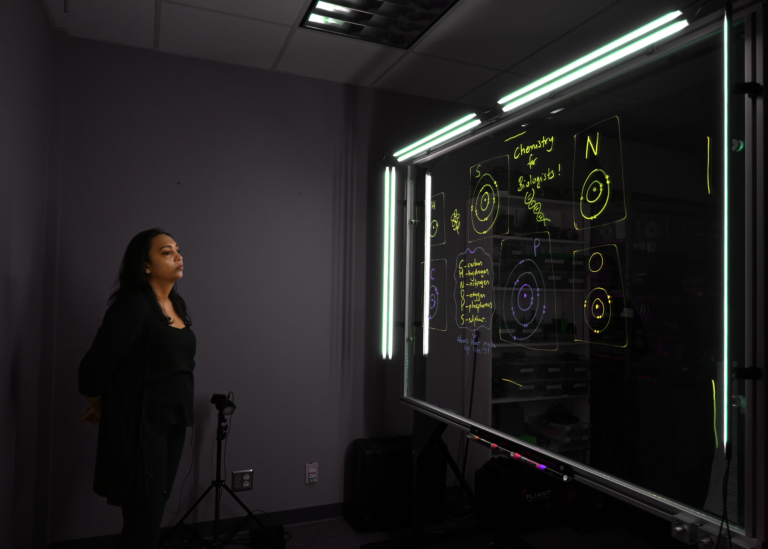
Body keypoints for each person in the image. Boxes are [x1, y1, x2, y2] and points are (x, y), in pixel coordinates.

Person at [78, 228, 196, 549]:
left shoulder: (177, 302)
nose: (177, 256)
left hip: (173, 421)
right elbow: (91, 371)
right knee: (143, 520)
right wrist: (105, 406)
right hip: (143, 428)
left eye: (177, 249)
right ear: (144, 265)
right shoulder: (133, 307)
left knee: (152, 514)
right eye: (166, 252)